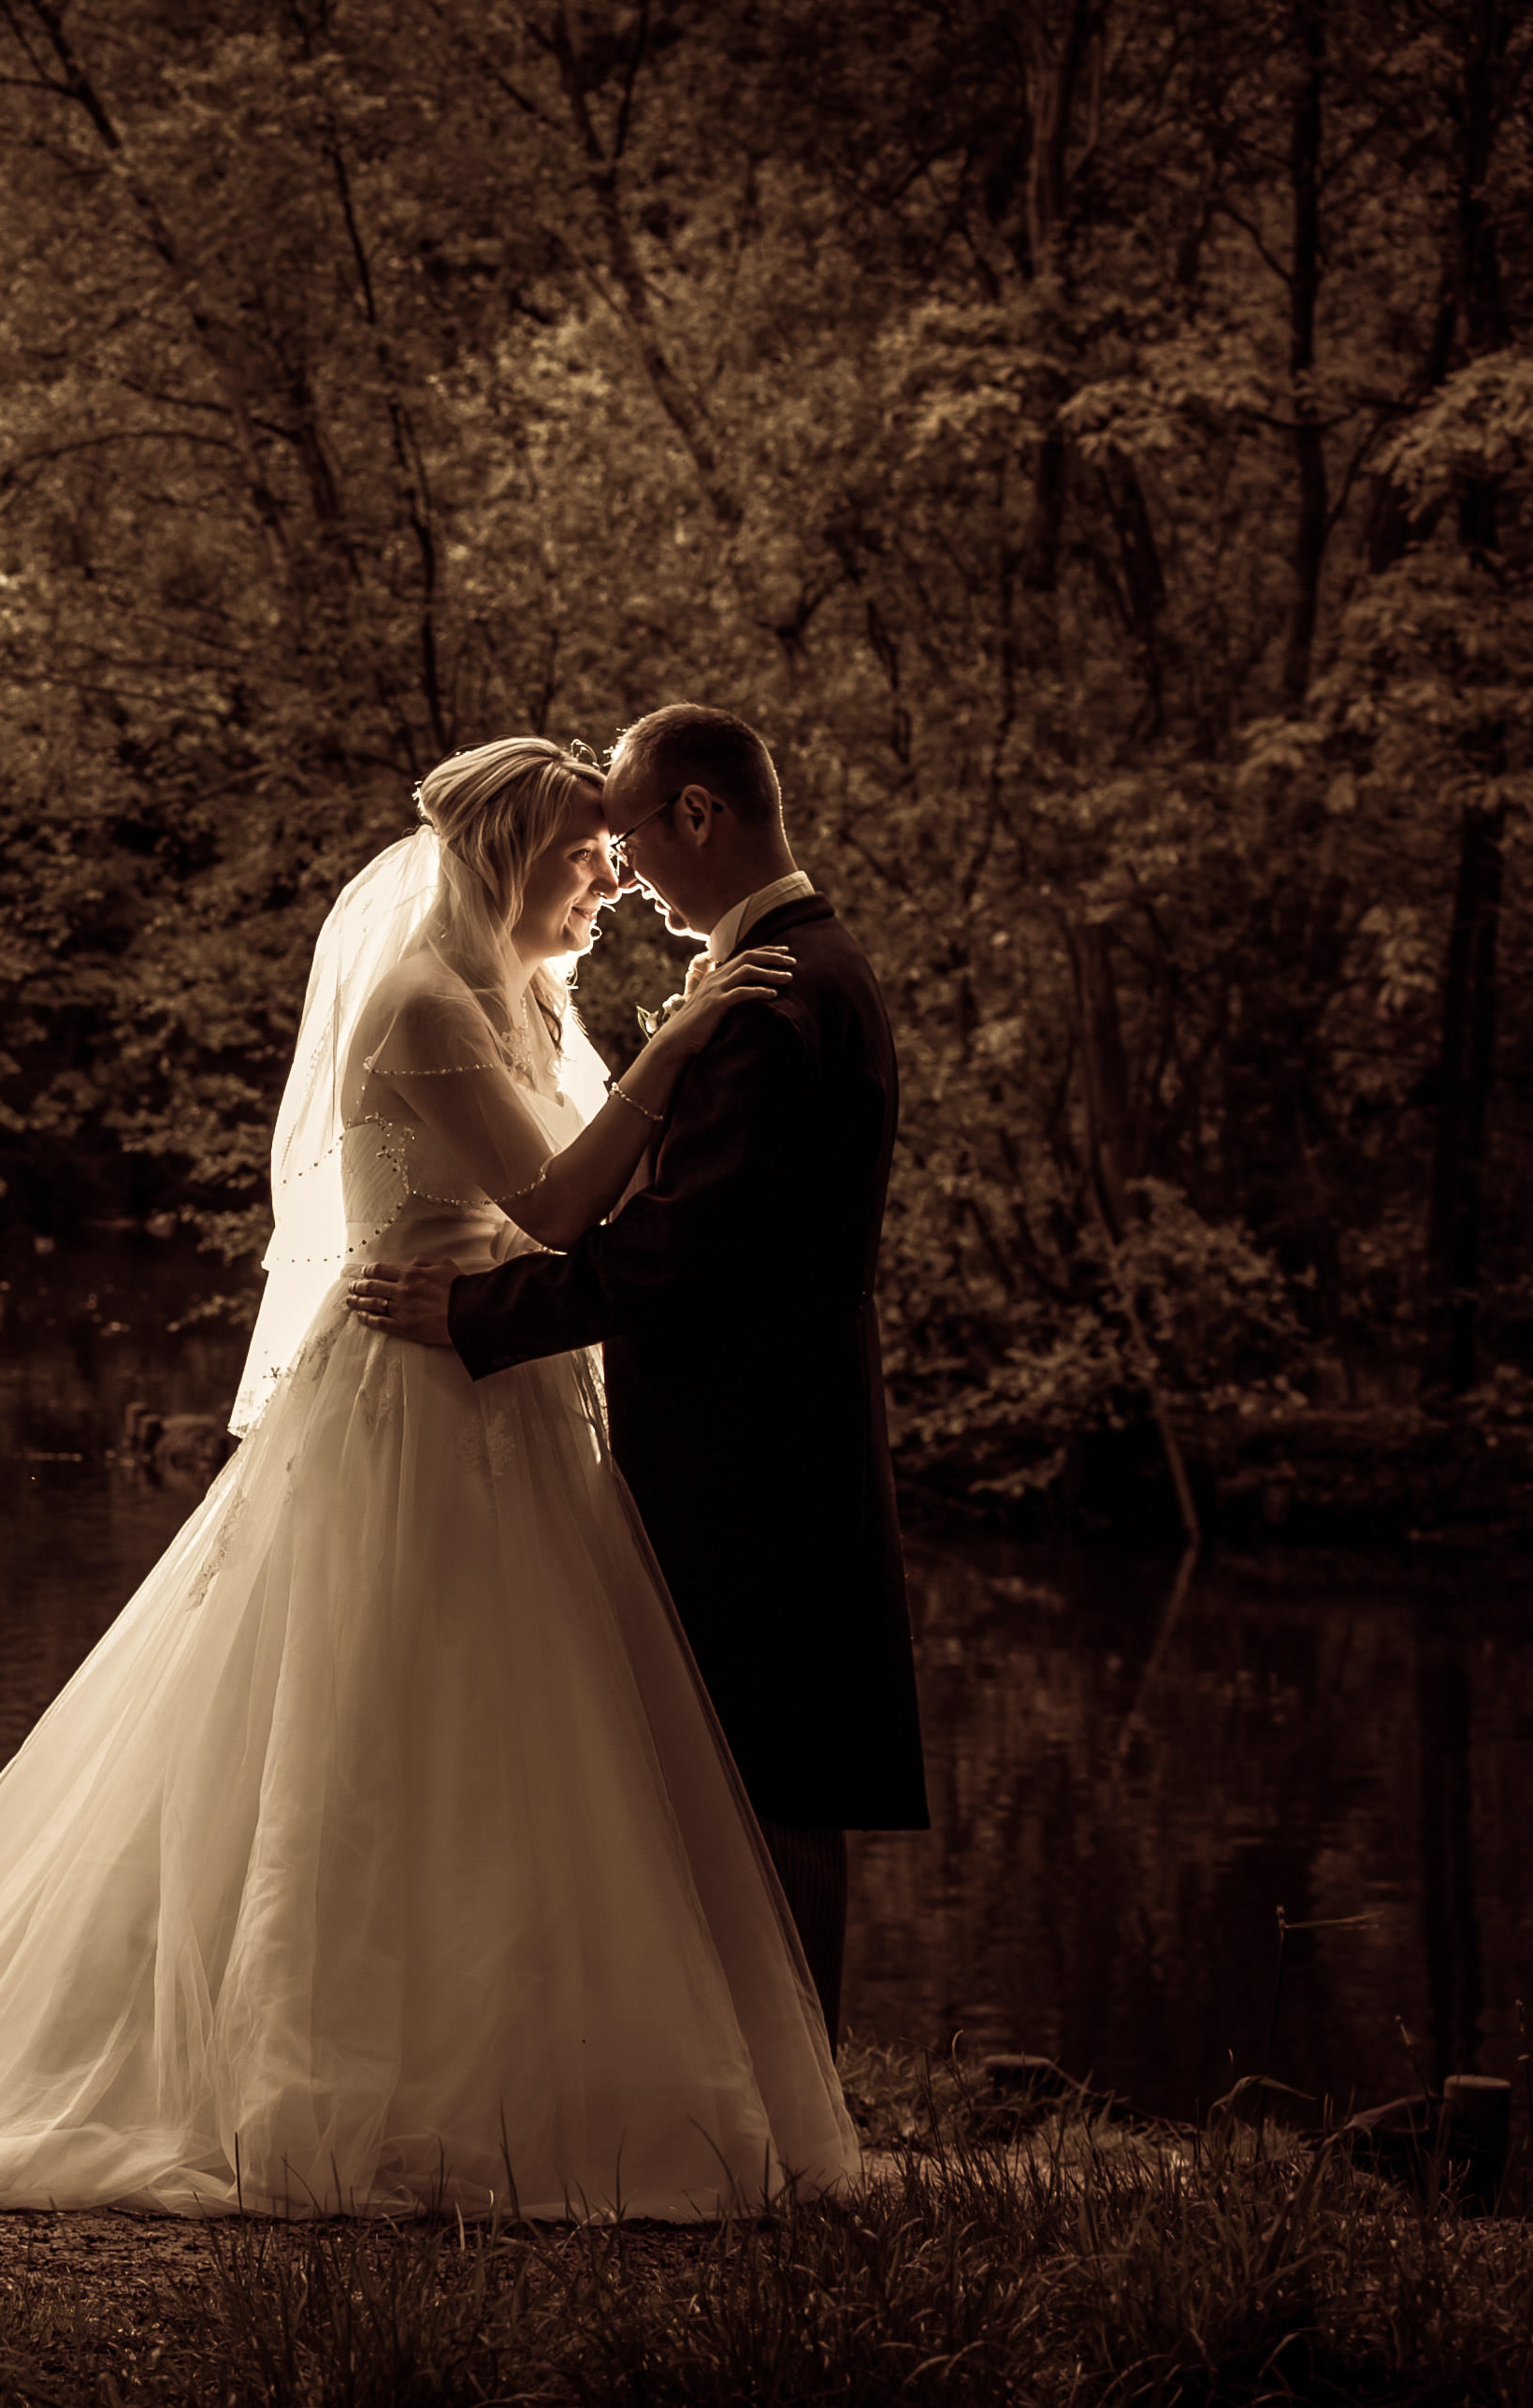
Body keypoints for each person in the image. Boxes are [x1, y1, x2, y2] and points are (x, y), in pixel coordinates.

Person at [0, 736, 856, 2218]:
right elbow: (562, 1203)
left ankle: (527, 2073)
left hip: (506, 1393)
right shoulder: (423, 1002)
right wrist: (683, 1044)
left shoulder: (532, 995)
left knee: (514, 1741)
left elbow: (593, 1196)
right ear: (515, 855)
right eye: (588, 859)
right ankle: (340, 2075)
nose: (611, 885)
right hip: (411, 1412)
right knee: (381, 1734)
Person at [349, 704, 931, 2046]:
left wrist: (482, 1311)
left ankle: (791, 2088)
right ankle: (759, 2080)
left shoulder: (779, 996)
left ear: (697, 817)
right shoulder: (783, 975)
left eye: (624, 839)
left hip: (759, 1449)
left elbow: (666, 1254)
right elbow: (639, 1226)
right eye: (589, 847)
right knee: (734, 1769)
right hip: (745, 1437)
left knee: (770, 1774)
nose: (617, 872)